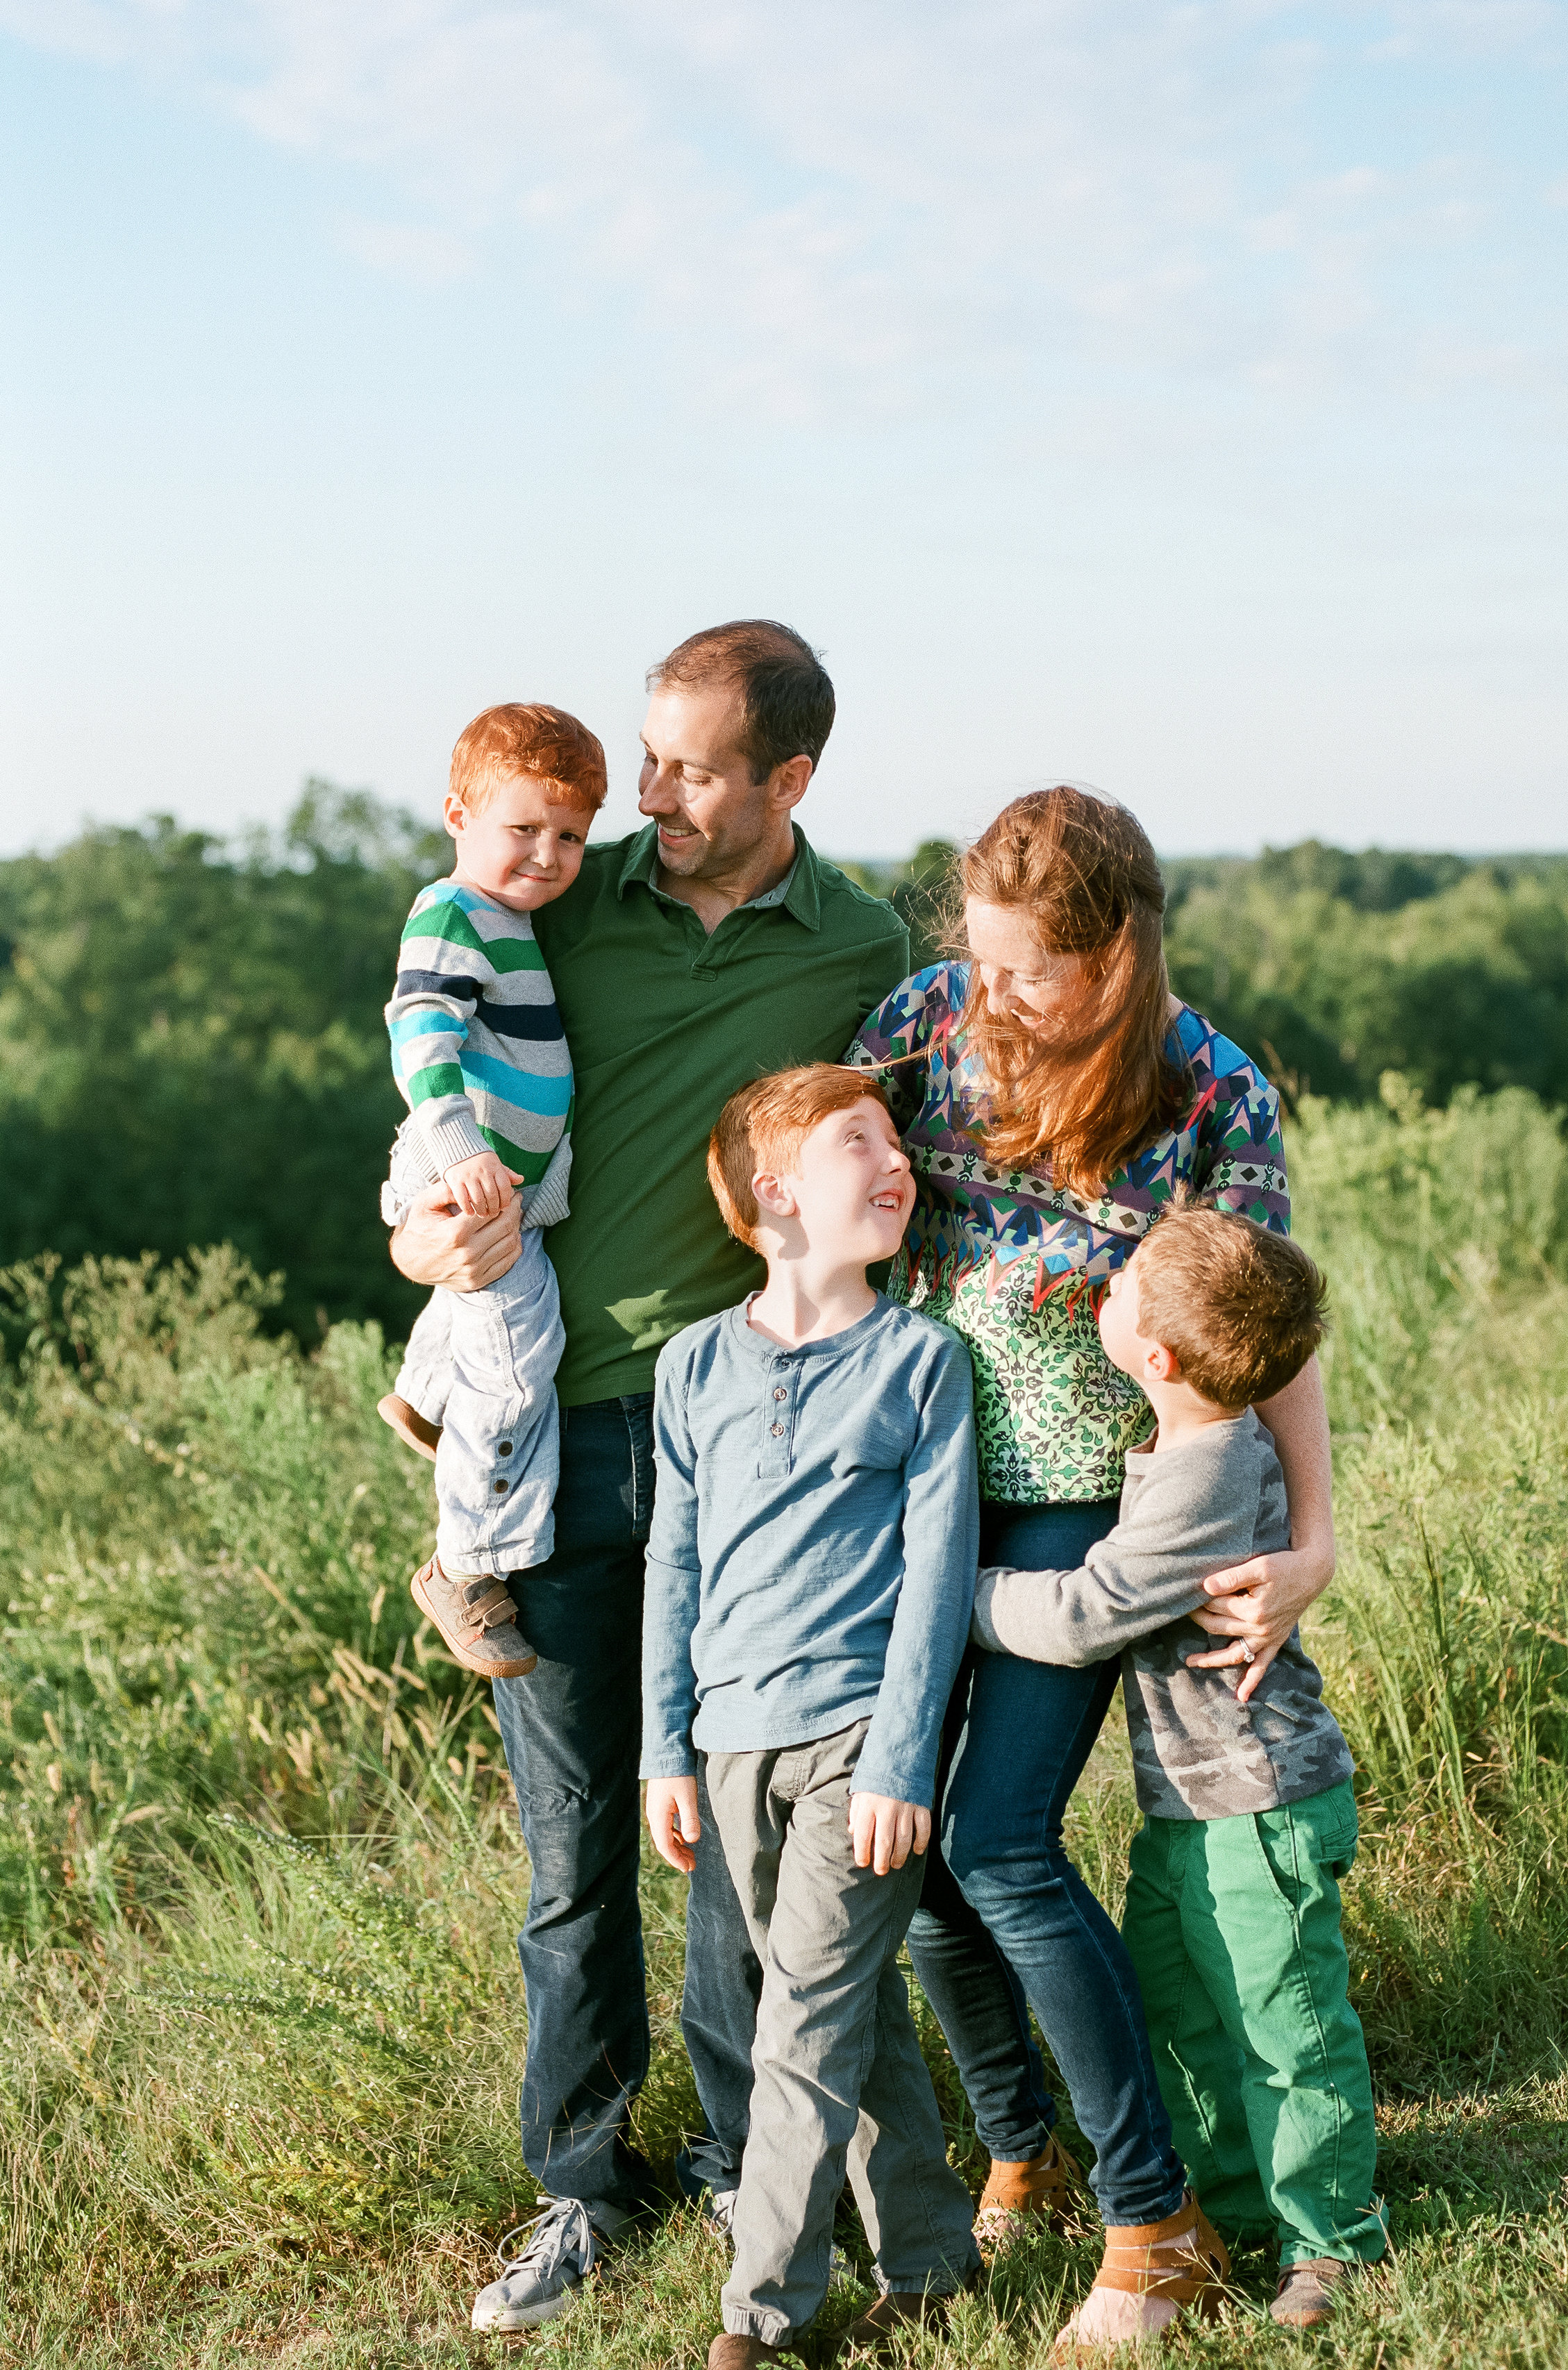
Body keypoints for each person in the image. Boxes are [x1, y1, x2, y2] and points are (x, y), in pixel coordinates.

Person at [387, 625, 911, 2334]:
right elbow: (436, 1104)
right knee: (571, 1850)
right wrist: (416, 1233)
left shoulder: (857, 943)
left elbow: (894, 1168)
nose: (656, 799)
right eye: (648, 758)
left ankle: (743, 2160)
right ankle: (579, 2185)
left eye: (691, 769)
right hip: (550, 1428)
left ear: (789, 783)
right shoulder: (560, 898)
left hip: (742, 1446)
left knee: (734, 1832)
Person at [846, 785, 1339, 2350]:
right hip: (918, 1478)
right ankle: (1019, 2147)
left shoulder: (1210, 1092)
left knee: (997, 1843)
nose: (996, 993)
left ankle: (1154, 2220)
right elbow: (812, 1183)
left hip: (1081, 1506)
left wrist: (1313, 1538)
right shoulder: (930, 1019)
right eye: (980, 961)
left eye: (1029, 971)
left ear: (1117, 952)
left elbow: (1267, 1337)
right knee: (905, 1854)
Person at [971, 1199, 1386, 2331]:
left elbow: (1081, 1613)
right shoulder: (1179, 1433)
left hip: (1261, 1798)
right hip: (1191, 1798)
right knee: (1182, 2006)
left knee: (1285, 2019)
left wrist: (948, 1596)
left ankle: (1330, 2240)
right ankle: (1239, 2206)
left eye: (1117, 1290)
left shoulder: (1208, 1472)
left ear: (1149, 1354)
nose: (1097, 1291)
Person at [642, 1065, 982, 2370]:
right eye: (862, 1141)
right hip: (730, 1744)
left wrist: (904, 1754)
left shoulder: (919, 1363)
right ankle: (934, 2257)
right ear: (775, 1193)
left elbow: (939, 1581)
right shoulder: (693, 1366)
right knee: (849, 2007)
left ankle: (761, 2318)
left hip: (859, 1748)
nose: (899, 1162)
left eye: (899, 1141)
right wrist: (664, 1745)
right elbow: (676, 1564)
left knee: (801, 2016)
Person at [377, 704, 606, 1681]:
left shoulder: (510, 919)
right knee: (521, 1359)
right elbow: (420, 1026)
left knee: (494, 1327)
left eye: (570, 837)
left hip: (497, 1175)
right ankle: (466, 1566)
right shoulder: (453, 910)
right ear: (457, 813)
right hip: (461, 1170)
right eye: (524, 829)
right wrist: (459, 1140)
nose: (548, 854)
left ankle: (426, 1393)